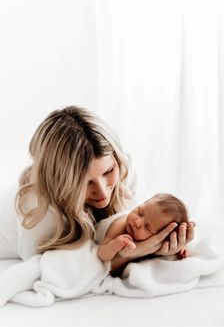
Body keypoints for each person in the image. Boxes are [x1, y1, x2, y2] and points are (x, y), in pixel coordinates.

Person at [0, 106, 195, 274]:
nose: (102, 192)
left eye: (109, 171)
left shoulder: (124, 170)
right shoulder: (36, 207)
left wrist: (165, 245)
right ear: (59, 183)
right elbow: (54, 273)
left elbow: (147, 229)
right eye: (85, 183)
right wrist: (138, 252)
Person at [97, 193, 192, 273]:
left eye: (147, 227)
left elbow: (169, 245)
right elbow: (101, 255)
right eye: (140, 212)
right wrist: (114, 246)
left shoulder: (158, 244)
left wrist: (180, 250)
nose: (137, 222)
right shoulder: (120, 225)